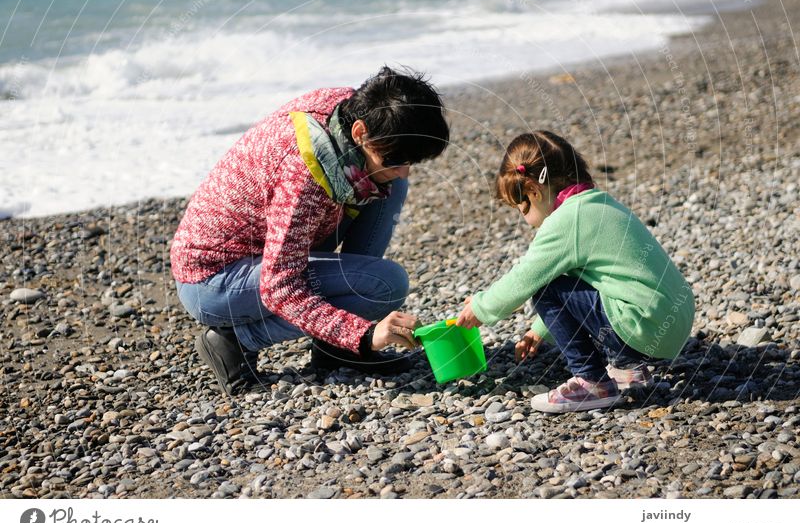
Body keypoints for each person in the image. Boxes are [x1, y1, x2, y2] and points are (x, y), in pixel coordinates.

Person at [171, 66, 449, 395]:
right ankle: (234, 340)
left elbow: (388, 172)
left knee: (390, 188)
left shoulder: (355, 108)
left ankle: (334, 349)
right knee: (385, 285)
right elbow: (280, 287)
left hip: (268, 248)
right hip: (214, 282)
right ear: (359, 132)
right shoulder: (304, 175)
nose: (404, 171)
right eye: (395, 159)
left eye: (410, 161)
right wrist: (363, 335)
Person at [456, 131, 695, 413]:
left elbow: (525, 278)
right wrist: (539, 330)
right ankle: (627, 367)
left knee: (544, 288)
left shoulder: (565, 222)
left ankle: (593, 382)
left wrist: (481, 307)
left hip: (643, 329)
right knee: (575, 281)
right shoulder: (600, 203)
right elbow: (584, 283)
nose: (524, 218)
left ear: (534, 190)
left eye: (522, 208)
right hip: (673, 322)